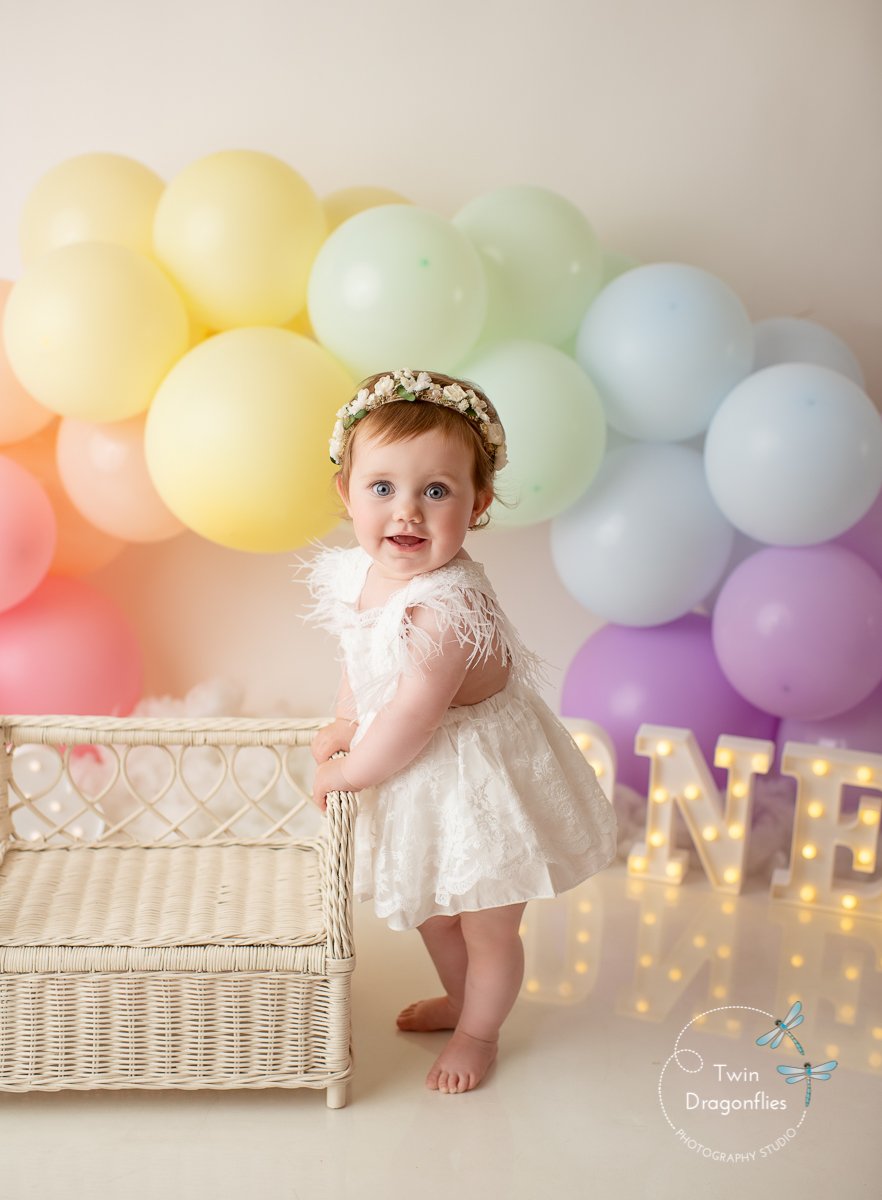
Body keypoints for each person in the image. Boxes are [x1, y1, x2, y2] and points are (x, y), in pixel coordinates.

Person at [305, 368, 616, 1094]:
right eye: (382, 488)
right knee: (433, 908)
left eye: (435, 491)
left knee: (485, 920)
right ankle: (459, 997)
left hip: (483, 772)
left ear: (476, 506)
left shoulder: (443, 610)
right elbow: (361, 650)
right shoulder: (362, 574)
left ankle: (481, 1030)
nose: (406, 512)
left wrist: (351, 771)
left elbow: (413, 713)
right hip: (425, 766)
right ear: (347, 495)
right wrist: (350, 716)